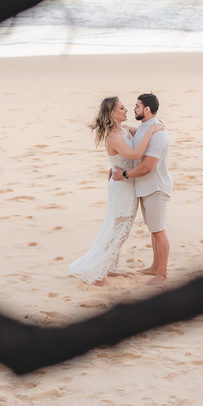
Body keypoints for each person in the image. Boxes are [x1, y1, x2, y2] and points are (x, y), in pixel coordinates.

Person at [69, 96, 165, 286]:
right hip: (121, 188)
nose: (126, 109)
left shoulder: (125, 129)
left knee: (121, 229)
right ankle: (99, 276)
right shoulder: (113, 137)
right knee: (118, 229)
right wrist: (152, 129)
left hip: (128, 184)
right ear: (112, 114)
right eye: (121, 108)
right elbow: (136, 154)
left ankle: (110, 268)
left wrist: (155, 126)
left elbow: (143, 137)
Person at [111, 93, 173, 285]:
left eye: (137, 106)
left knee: (159, 231)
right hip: (146, 188)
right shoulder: (147, 127)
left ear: (147, 109)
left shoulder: (158, 135)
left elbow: (147, 167)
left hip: (156, 188)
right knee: (154, 230)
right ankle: (155, 266)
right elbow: (128, 132)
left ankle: (161, 274)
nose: (134, 109)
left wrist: (125, 174)